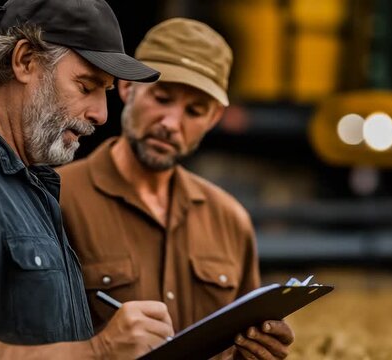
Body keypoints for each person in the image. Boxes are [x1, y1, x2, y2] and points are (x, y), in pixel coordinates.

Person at [0, 0, 176, 358]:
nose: (101, 115)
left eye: (104, 92)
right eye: (86, 85)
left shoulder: (32, 182)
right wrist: (100, 350)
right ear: (25, 60)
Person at [57, 17, 294, 359]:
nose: (171, 123)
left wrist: (261, 350)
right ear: (127, 88)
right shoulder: (57, 198)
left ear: (213, 119)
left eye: (194, 111)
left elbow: (243, 342)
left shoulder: (230, 219)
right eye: (162, 97)